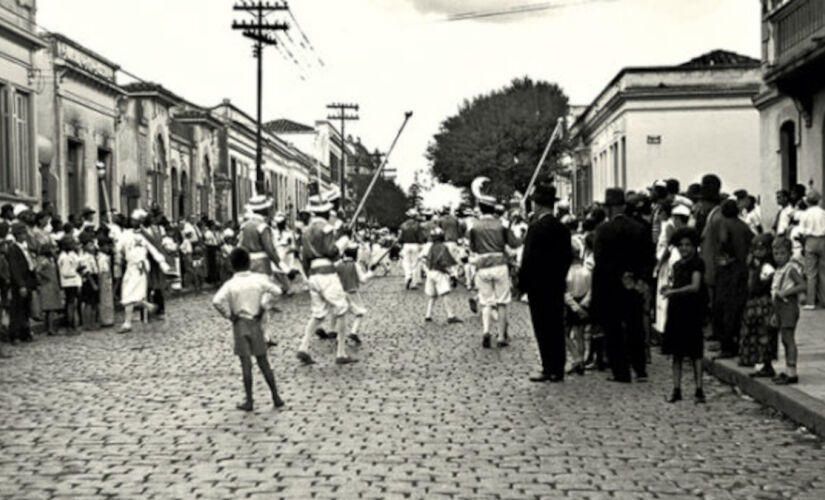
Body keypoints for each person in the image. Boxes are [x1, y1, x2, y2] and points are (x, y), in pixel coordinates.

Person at [592, 188, 654, 383]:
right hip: (632, 284)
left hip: (610, 287)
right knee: (635, 326)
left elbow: (599, 261)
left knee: (614, 330)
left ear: (610, 208)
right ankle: (640, 368)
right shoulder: (639, 228)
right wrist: (638, 278)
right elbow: (648, 258)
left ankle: (621, 371)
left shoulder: (603, 230)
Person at [212, 247, 285, 412]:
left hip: (239, 324)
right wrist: (265, 306)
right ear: (249, 262)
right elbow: (277, 291)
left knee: (246, 364)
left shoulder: (230, 284)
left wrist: (228, 315)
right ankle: (276, 396)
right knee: (263, 361)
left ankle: (250, 400)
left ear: (231, 265)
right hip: (256, 321)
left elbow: (216, 301)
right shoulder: (257, 280)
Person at [519, 180, 572, 382]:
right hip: (556, 284)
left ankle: (547, 366)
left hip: (538, 286)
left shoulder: (535, 228)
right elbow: (567, 257)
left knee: (542, 327)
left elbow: (528, 258)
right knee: (557, 325)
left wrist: (522, 284)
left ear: (538, 204)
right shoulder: (562, 228)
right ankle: (558, 368)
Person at [296, 195, 356, 365]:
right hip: (327, 272)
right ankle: (341, 352)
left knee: (318, 313)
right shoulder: (327, 228)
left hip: (313, 273)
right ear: (326, 211)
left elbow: (305, 257)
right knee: (342, 308)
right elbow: (331, 251)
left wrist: (308, 276)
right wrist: (344, 240)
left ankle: (304, 346)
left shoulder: (306, 231)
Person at [468, 180, 521, 349]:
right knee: (502, 302)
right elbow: (514, 244)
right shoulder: (503, 224)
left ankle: (485, 331)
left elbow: (473, 247)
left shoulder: (473, 226)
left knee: (485, 302)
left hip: (482, 264)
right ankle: (501, 336)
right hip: (499, 264)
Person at [661, 227, 707, 404]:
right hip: (677, 311)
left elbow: (695, 286)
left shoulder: (697, 264)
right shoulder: (676, 265)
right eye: (681, 245)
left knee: (696, 353)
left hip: (692, 310)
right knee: (676, 353)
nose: (684, 248)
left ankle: (699, 388)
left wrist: (673, 292)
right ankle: (676, 388)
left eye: (688, 245)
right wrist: (669, 290)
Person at [714, 199, 753, 358]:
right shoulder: (743, 226)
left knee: (725, 308)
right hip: (742, 269)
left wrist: (727, 256)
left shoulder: (725, 224)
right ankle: (736, 342)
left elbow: (724, 241)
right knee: (737, 308)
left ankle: (727, 346)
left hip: (730, 270)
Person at [739, 234, 778, 376]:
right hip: (755, 304)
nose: (757, 252)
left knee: (764, 335)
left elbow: (765, 283)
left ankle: (765, 364)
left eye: (761, 249)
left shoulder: (767, 266)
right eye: (754, 249)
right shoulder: (755, 265)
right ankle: (762, 364)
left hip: (762, 304)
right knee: (757, 334)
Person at [771, 236, 806, 385]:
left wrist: (786, 292)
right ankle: (787, 368)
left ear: (789, 253)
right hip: (779, 306)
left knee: (788, 338)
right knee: (784, 339)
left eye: (782, 253)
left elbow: (802, 285)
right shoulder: (779, 269)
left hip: (788, 305)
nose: (779, 257)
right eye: (776, 253)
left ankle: (792, 370)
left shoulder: (790, 269)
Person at [335, 242, 375, 345]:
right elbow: (363, 280)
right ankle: (353, 332)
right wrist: (370, 273)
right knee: (360, 313)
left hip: (339, 293)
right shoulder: (355, 265)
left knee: (341, 315)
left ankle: (339, 337)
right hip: (352, 292)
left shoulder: (337, 264)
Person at [422, 228, 462, 325]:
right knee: (445, 293)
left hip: (430, 272)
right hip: (440, 273)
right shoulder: (443, 247)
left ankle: (428, 315)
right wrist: (452, 274)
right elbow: (446, 262)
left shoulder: (431, 247)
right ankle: (450, 315)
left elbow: (426, 260)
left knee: (432, 295)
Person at [564, 238, 591, 376]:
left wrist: (575, 307)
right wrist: (583, 305)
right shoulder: (586, 271)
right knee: (580, 334)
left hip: (570, 305)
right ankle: (580, 360)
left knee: (565, 334)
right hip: (583, 303)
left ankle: (576, 358)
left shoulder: (566, 273)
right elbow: (591, 290)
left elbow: (565, 293)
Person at [7, 222, 36, 343]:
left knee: (26, 308)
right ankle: (15, 334)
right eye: (22, 233)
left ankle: (25, 332)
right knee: (17, 308)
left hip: (28, 279)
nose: (25, 235)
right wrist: (21, 285)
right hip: (20, 282)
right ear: (17, 235)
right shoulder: (13, 249)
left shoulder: (25, 246)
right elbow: (14, 268)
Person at [799, 189, 825, 309]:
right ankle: (823, 300)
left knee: (811, 273)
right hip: (823, 240)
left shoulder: (805, 214)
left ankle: (811, 301)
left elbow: (801, 231)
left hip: (810, 241)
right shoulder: (823, 213)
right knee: (823, 272)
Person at [57, 235, 82, 336]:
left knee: (73, 304)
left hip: (74, 282)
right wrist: (77, 271)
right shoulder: (65, 257)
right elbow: (66, 272)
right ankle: (70, 326)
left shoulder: (71, 255)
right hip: (69, 283)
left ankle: (74, 325)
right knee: (71, 304)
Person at [398, 209, 422, 290]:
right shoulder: (418, 225)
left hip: (406, 245)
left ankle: (408, 276)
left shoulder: (403, 225)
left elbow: (400, 238)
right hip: (415, 245)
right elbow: (420, 237)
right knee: (415, 264)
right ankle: (414, 283)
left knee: (406, 263)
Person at [96, 236, 116, 328]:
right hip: (104, 278)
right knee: (105, 300)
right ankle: (105, 319)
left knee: (108, 299)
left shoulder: (105, 257)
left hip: (107, 278)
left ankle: (108, 318)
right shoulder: (102, 258)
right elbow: (102, 271)